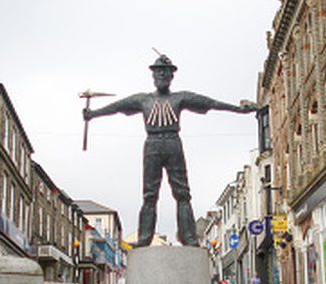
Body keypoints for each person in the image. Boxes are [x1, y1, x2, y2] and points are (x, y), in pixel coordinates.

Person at [83, 55, 257, 246]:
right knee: (150, 194)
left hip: (173, 143)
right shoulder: (143, 99)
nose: (162, 75)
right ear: (153, 75)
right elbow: (117, 107)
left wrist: (238, 109)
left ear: (172, 76)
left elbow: (210, 103)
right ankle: (144, 238)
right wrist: (94, 114)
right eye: (159, 72)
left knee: (182, 193)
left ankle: (189, 237)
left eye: (166, 72)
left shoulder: (179, 98)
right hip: (152, 144)